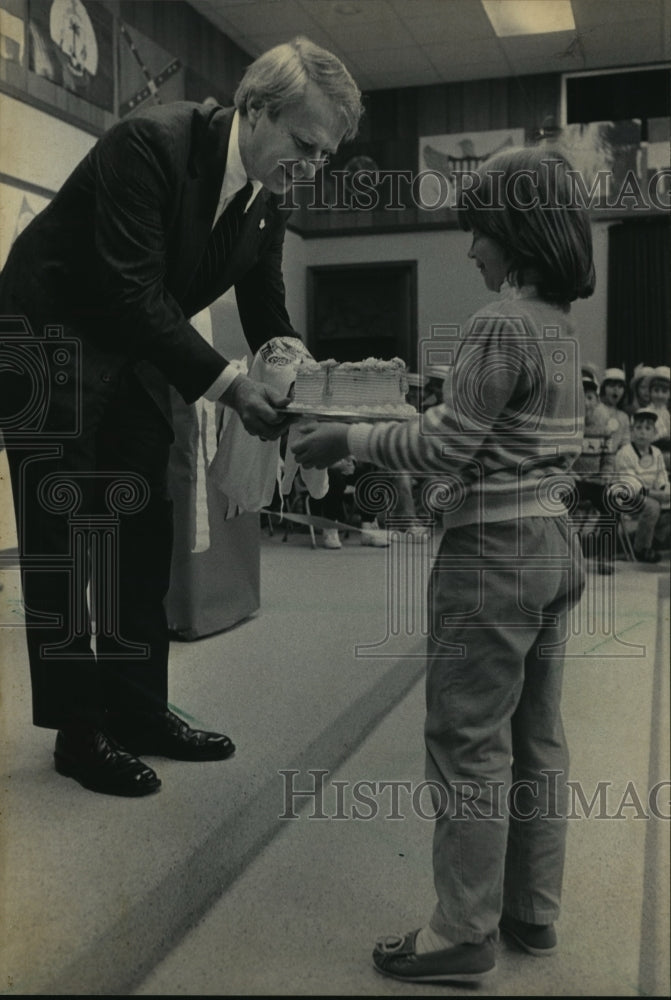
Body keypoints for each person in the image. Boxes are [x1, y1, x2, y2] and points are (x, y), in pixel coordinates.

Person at [0, 37, 362, 797]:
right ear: (255, 110)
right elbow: (133, 292)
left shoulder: (271, 194)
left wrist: (308, 385)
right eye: (305, 144)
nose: (312, 166)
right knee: (68, 535)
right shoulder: (152, 143)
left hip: (128, 345)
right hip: (43, 339)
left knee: (143, 520)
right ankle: (78, 730)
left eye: (326, 155)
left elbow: (266, 310)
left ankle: (136, 707)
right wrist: (232, 387)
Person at [292, 146, 593, 985]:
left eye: (479, 233)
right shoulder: (560, 329)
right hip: (554, 544)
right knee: (536, 740)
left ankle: (461, 931)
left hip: (491, 558)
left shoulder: (499, 323)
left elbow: (446, 446)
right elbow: (495, 436)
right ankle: (531, 910)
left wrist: (346, 435)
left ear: (516, 231)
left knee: (466, 742)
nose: (470, 251)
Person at [571, 373, 618, 574]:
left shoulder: (604, 431)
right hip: (572, 482)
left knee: (611, 505)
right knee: (558, 505)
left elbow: (608, 458)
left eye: (589, 397)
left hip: (595, 483)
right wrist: (569, 473)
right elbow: (559, 458)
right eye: (581, 397)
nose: (585, 402)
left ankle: (605, 556)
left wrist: (605, 474)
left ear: (596, 401)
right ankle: (568, 555)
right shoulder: (568, 429)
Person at [613, 407, 670, 563]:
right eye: (638, 428)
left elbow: (661, 476)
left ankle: (654, 541)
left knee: (662, 507)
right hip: (626, 496)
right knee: (652, 506)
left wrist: (664, 490)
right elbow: (631, 484)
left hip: (652, 494)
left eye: (647, 428)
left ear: (653, 433)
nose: (642, 432)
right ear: (632, 431)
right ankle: (641, 549)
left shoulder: (656, 452)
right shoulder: (625, 452)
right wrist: (658, 495)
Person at [599, 367, 630, 451]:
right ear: (603, 388)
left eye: (620, 386)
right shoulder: (596, 410)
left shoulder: (624, 417)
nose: (616, 390)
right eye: (612, 386)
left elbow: (625, 443)